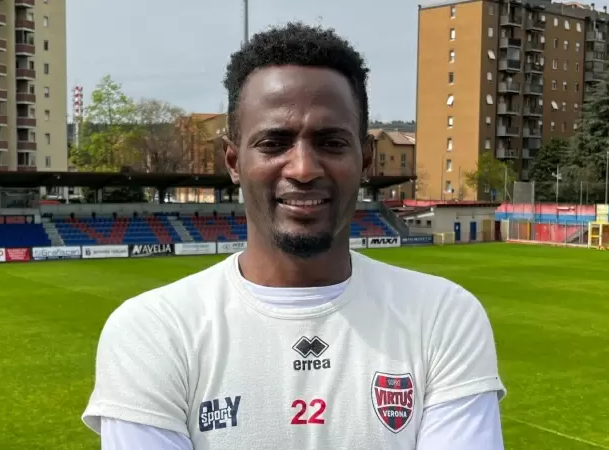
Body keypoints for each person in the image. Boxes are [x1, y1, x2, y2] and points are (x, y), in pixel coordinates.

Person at [82, 22, 506, 449]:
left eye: (332, 142)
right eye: (274, 142)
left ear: (367, 161)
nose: (303, 168)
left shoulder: (442, 318)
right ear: (233, 160)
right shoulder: (152, 331)